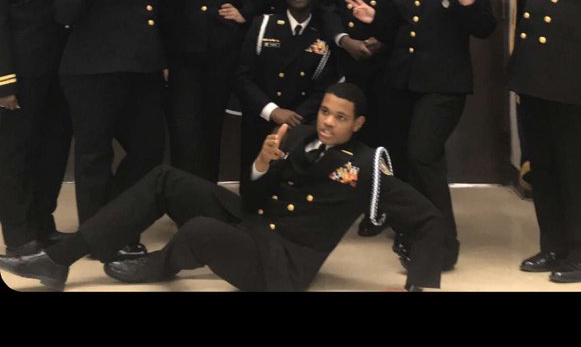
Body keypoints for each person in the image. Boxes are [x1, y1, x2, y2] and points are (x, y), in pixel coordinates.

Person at [0, 83, 445, 292]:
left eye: (340, 117)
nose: (328, 122)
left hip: (282, 265)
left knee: (198, 231)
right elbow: (254, 200)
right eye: (326, 111)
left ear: (358, 124)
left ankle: (161, 266)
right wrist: (259, 164)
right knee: (164, 178)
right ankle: (60, 260)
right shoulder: (300, 134)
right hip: (256, 225)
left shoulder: (367, 166)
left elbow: (427, 220)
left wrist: (420, 284)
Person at [433, 0, 581, 284]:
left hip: (576, 81)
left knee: (577, 169)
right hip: (533, 78)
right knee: (543, 168)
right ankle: (554, 246)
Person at [348, 0, 496, 271]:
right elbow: (394, 30)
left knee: (423, 157)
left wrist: (469, 6)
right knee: (403, 160)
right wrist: (373, 20)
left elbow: (485, 29)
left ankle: (444, 245)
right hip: (402, 84)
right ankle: (412, 233)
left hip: (443, 86)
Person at [55, 0, 170, 254]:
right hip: (94, 74)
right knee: (94, 156)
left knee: (149, 149)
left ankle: (114, 219)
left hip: (141, 73)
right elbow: (65, 12)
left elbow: (149, 14)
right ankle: (98, 236)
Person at [148, 0, 270, 183]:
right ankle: (183, 203)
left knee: (212, 129)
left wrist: (244, 11)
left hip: (220, 56)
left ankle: (208, 199)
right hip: (180, 58)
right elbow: (149, 3)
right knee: (184, 132)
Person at [323, 0, 414, 235]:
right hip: (352, 60)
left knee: (394, 138)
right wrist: (344, 40)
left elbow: (410, 1)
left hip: (391, 59)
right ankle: (366, 207)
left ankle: (396, 211)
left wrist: (384, 37)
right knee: (359, 139)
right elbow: (328, 3)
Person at [0, 0, 77, 255]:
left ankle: (43, 224)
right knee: (17, 155)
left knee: (52, 151)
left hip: (57, 73)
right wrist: (5, 82)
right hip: (21, 77)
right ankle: (18, 236)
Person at [234, 0, 337, 187]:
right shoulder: (262, 25)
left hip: (301, 125)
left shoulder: (325, 35)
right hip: (261, 120)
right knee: (253, 190)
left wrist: (292, 120)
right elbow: (242, 77)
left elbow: (323, 89)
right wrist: (273, 112)